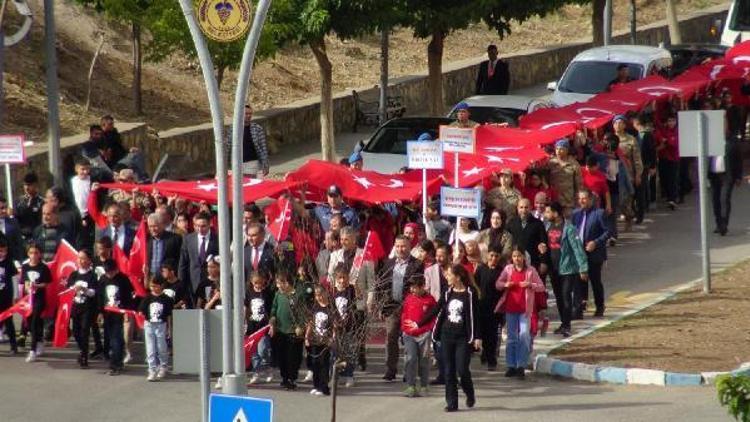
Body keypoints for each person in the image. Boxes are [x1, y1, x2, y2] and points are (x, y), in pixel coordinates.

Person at [410, 264, 480, 413]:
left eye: (449, 275)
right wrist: (418, 323)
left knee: (462, 370)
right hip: (446, 335)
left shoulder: (470, 293)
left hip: (463, 338)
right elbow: (435, 310)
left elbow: (475, 317)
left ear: (458, 277)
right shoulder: (447, 292)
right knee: (448, 371)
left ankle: (469, 393)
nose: (446, 277)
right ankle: (452, 403)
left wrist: (477, 337)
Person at [378, 235, 424, 381]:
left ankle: (409, 371)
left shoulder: (417, 264)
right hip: (391, 307)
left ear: (410, 247)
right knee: (391, 338)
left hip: (409, 308)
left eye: (403, 246)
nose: (400, 249)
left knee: (409, 340)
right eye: (397, 246)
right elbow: (382, 286)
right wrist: (381, 306)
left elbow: (418, 286)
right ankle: (390, 369)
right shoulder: (388, 263)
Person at [495, 247, 545, 378]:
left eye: (519, 256)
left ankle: (521, 365)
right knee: (511, 337)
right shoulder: (508, 269)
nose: (517, 259)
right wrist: (506, 284)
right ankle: (511, 365)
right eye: (514, 256)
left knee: (524, 335)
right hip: (511, 308)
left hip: (525, 310)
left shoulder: (530, 270)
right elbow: (498, 284)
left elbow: (541, 287)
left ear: (524, 257)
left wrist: (530, 285)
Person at [540, 202, 588, 337]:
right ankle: (563, 323)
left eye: (548, 212)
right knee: (559, 297)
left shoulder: (569, 228)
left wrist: (583, 268)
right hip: (553, 268)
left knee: (566, 296)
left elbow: (578, 249)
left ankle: (567, 325)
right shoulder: (547, 226)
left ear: (555, 213)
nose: (546, 214)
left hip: (567, 268)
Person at [571, 190, 610, 318]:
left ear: (591, 199)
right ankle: (581, 305)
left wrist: (596, 242)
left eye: (584, 198)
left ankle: (600, 305)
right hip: (579, 252)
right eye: (580, 198)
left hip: (594, 253)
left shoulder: (599, 213)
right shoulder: (575, 214)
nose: (582, 201)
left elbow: (608, 232)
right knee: (580, 279)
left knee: (595, 280)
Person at [400, 274, 436, 397]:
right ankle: (411, 386)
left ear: (422, 287)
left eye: (415, 287)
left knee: (424, 360)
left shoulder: (430, 300)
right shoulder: (409, 299)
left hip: (424, 334)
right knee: (410, 359)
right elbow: (404, 315)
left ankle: (424, 385)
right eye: (411, 287)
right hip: (409, 334)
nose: (412, 290)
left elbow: (433, 318)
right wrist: (404, 330)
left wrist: (427, 330)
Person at [270, 271, 305, 391]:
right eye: (277, 283)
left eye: (281, 283)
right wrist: (272, 320)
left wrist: (300, 326)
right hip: (280, 331)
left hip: (293, 332)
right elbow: (274, 309)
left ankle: (292, 379)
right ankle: (284, 378)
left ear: (288, 282)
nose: (279, 286)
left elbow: (302, 313)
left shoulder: (297, 295)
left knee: (293, 357)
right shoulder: (278, 295)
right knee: (282, 357)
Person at [99, 258, 135, 375]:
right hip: (107, 313)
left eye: (111, 272)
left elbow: (128, 298)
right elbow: (100, 297)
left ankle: (115, 364)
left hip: (119, 312)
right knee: (111, 338)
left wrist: (126, 313)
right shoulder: (103, 279)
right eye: (107, 272)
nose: (109, 274)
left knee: (116, 338)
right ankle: (117, 361)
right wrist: (100, 313)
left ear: (116, 270)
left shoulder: (123, 279)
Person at [709, 122, 744, 236]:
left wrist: (739, 176)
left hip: (727, 175)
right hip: (714, 175)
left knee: (724, 199)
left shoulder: (733, 141)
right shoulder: (711, 139)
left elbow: (739, 159)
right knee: (715, 200)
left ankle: (724, 225)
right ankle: (718, 223)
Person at [423, 242, 452, 385]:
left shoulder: (455, 270)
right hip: (436, 312)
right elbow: (426, 290)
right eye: (437, 255)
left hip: (452, 312)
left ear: (449, 256)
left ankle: (451, 375)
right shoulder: (429, 271)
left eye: (442, 256)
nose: (439, 258)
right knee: (438, 345)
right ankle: (442, 374)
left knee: (450, 346)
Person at [474, 244, 504, 371]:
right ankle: (485, 353)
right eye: (491, 255)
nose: (493, 258)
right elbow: (475, 284)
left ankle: (492, 360)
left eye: (496, 256)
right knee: (484, 333)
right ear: (487, 255)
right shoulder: (481, 269)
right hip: (482, 306)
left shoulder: (502, 271)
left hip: (496, 308)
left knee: (492, 334)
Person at [68, 249, 98, 368]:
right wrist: (73, 288)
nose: (80, 261)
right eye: (79, 258)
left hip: (87, 307)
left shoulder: (92, 275)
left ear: (89, 260)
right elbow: (68, 290)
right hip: (76, 307)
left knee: (85, 330)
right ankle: (83, 349)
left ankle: (84, 357)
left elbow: (93, 292)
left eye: (83, 258)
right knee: (76, 331)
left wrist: (84, 289)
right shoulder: (74, 274)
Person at [139, 277, 173, 381]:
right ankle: (152, 369)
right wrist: (141, 315)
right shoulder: (147, 298)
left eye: (155, 286)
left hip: (161, 324)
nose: (153, 288)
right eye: (151, 286)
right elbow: (141, 311)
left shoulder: (166, 299)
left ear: (161, 286)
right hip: (149, 324)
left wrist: (169, 328)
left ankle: (163, 366)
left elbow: (168, 315)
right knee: (150, 348)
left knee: (161, 346)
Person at [613, 115, 643, 231]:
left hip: (627, 174)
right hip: (614, 175)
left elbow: (637, 158)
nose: (618, 125)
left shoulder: (631, 139)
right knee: (616, 199)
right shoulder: (609, 138)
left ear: (625, 125)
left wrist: (638, 174)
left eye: (620, 123)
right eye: (615, 123)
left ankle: (628, 217)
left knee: (626, 199)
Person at [178, 212, 219, 298]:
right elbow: (183, 263)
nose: (200, 229)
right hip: (193, 283)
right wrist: (181, 283)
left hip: (211, 284)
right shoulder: (188, 239)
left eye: (203, 226)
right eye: (197, 226)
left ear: (209, 224)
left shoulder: (217, 240)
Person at [305, 286, 337, 396]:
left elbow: (335, 326)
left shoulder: (331, 308)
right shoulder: (315, 307)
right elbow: (310, 323)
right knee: (315, 362)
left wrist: (332, 338)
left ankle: (324, 387)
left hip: (325, 341)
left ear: (326, 294)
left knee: (324, 363)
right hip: (315, 339)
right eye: (317, 295)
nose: (319, 297)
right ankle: (316, 385)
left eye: (321, 295)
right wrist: (307, 336)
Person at [23, 243, 51, 362]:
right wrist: (27, 287)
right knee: (30, 322)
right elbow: (23, 282)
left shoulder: (43, 267)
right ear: (28, 254)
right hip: (28, 299)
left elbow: (47, 283)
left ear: (40, 254)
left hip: (39, 299)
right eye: (31, 253)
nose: (33, 255)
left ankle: (32, 350)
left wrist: (37, 286)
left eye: (36, 253)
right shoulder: (25, 267)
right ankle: (39, 340)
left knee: (34, 322)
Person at [246, 271, 274, 384]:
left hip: (263, 327)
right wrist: (244, 322)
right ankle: (256, 373)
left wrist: (271, 324)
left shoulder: (266, 293)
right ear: (252, 282)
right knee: (254, 353)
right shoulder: (249, 293)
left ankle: (268, 368)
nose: (258, 285)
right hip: (252, 326)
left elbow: (271, 310)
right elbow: (246, 308)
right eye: (255, 283)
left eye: (260, 283)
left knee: (263, 350)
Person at [331, 265, 357, 387]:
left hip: (348, 327)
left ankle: (349, 375)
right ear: (335, 278)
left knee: (348, 352)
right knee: (335, 353)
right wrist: (334, 322)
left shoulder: (351, 290)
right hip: (336, 328)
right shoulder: (332, 292)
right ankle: (336, 375)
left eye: (344, 278)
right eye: (339, 278)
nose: (342, 281)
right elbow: (330, 309)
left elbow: (357, 297)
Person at [506, 198, 548, 269]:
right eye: (521, 207)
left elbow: (543, 243)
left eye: (526, 207)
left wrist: (543, 262)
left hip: (533, 263)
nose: (524, 210)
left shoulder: (538, 224)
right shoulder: (511, 223)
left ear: (531, 208)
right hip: (515, 263)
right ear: (517, 208)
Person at [547, 139, 583, 217]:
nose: (558, 151)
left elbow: (579, 184)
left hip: (568, 200)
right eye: (556, 149)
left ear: (566, 150)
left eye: (561, 149)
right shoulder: (551, 163)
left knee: (568, 224)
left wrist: (579, 200)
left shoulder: (574, 164)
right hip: (554, 200)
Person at [633, 113, 657, 224]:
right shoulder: (636, 135)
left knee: (640, 190)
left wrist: (653, 166)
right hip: (636, 166)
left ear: (637, 123)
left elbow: (652, 151)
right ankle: (639, 210)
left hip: (644, 166)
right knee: (638, 190)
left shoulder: (647, 135)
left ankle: (640, 214)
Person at [654, 113, 680, 210]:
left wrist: (665, 141)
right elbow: (657, 126)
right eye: (669, 121)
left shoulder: (677, 131)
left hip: (674, 159)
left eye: (673, 121)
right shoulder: (663, 130)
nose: (671, 123)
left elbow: (673, 144)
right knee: (664, 179)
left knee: (672, 180)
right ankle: (669, 197)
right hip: (663, 158)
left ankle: (672, 199)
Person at [145, 213, 182, 278]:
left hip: (168, 279)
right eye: (150, 226)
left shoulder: (175, 239)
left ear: (162, 225)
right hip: (151, 278)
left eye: (155, 226)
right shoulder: (146, 239)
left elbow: (180, 260)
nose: (153, 229)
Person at [0, 236, 19, 354]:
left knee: (8, 321)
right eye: (0, 250)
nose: (2, 253)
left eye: (4, 251)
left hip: (6, 296)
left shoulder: (9, 263)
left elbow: (14, 279)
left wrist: (15, 295)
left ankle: (13, 346)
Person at [241, 105, 270, 178]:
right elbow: (228, 147)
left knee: (250, 184)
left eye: (250, 114)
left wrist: (265, 164)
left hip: (252, 162)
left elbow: (263, 148)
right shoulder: (233, 130)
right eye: (246, 114)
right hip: (237, 163)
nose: (248, 116)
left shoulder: (257, 129)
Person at [15, 173, 45, 240]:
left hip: (37, 237)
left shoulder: (42, 202)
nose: (26, 188)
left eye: (29, 185)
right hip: (22, 238)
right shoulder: (18, 202)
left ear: (36, 185)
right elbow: (16, 221)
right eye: (25, 185)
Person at [0, 196, 24, 262]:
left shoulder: (14, 222)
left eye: (5, 207)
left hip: (11, 262)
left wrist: (20, 261)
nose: (4, 210)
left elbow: (19, 244)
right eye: (1, 208)